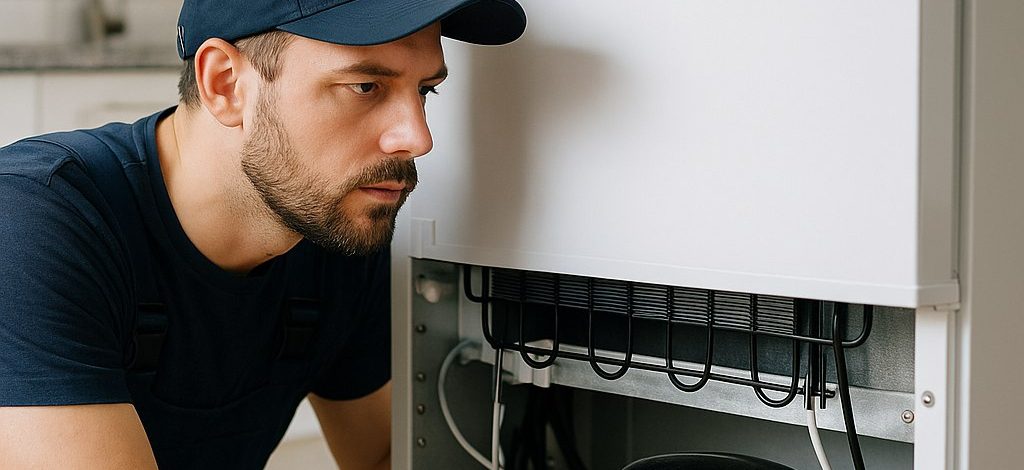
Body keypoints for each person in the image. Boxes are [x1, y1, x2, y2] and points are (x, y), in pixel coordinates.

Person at [0, 0, 526, 468]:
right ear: (225, 84)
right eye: (365, 87)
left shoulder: (333, 227)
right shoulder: (34, 221)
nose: (417, 137)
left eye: (425, 90)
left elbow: (384, 456)